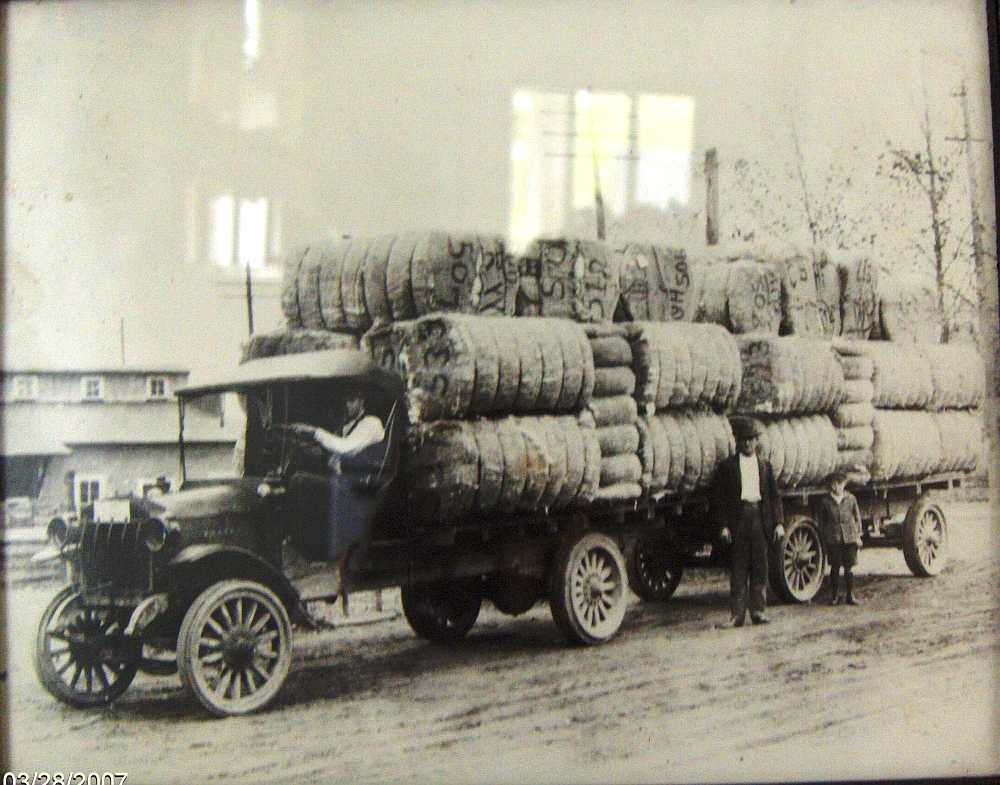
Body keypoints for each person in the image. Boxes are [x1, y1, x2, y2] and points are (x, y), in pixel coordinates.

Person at [286, 394, 390, 596]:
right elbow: (332, 455)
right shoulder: (346, 425)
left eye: (351, 398)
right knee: (300, 471)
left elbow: (345, 448)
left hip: (360, 490)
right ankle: (301, 544)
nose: (346, 402)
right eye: (345, 398)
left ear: (362, 401)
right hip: (344, 484)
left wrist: (314, 432)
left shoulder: (371, 423)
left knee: (301, 481)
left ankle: (305, 548)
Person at [713, 417, 785, 628]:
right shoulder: (727, 467)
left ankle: (758, 612)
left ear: (757, 442)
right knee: (739, 569)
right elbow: (721, 499)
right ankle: (737, 615)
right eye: (744, 440)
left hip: (760, 518)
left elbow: (774, 497)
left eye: (751, 440)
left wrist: (779, 523)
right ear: (737, 442)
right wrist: (723, 526)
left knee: (760, 567)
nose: (747, 444)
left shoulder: (765, 466)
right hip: (739, 519)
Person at [816, 470, 863, 606]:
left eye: (840, 484)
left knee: (849, 567)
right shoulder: (826, 501)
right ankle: (835, 596)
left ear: (844, 484)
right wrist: (826, 536)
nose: (837, 486)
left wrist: (858, 536)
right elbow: (822, 522)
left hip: (849, 537)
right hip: (833, 538)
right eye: (834, 484)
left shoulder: (851, 499)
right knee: (835, 567)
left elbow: (857, 517)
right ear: (831, 485)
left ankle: (850, 595)